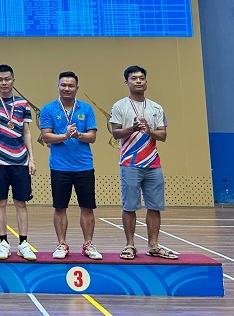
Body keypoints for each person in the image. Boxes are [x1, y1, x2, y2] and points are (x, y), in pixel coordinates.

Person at [109, 65, 177, 259]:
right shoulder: (119, 106)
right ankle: (129, 245)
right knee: (129, 206)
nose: (138, 81)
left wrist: (149, 131)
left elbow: (163, 135)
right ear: (126, 82)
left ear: (146, 81)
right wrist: (132, 128)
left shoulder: (156, 108)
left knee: (154, 206)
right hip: (130, 163)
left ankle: (154, 245)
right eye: (134, 78)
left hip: (153, 164)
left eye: (141, 78)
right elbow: (115, 133)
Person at [40, 71, 102, 260]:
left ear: (77, 88)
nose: (67, 88)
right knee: (60, 207)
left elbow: (92, 137)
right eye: (63, 85)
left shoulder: (86, 109)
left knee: (87, 207)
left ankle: (88, 244)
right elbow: (46, 136)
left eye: (71, 85)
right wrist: (65, 136)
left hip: (84, 166)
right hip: (59, 167)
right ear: (58, 86)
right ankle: (61, 244)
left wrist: (78, 135)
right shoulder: (48, 109)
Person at [0, 64, 37, 261]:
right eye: (0, 79)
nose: (4, 83)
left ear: (13, 80)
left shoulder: (22, 104)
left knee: (21, 203)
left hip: (20, 161)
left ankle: (23, 243)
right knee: (0, 202)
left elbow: (27, 132)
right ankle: (3, 243)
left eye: (7, 79)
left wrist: (31, 158)